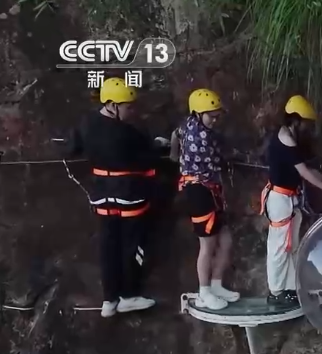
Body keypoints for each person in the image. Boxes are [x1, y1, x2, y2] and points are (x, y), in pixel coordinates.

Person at [66, 77, 159, 317]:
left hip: (102, 193)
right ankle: (129, 295)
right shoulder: (128, 132)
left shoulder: (86, 123)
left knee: (108, 246)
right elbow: (149, 158)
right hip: (129, 193)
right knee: (132, 244)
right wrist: (157, 146)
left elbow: (72, 148)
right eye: (128, 106)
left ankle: (109, 300)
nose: (132, 110)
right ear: (112, 105)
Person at [262, 95, 322, 306]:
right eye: (305, 123)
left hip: (289, 199)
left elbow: (300, 169)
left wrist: (321, 176)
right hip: (280, 199)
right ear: (296, 120)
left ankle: (290, 288)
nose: (307, 128)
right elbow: (303, 172)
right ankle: (276, 292)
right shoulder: (287, 140)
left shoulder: (286, 137)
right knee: (279, 247)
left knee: (291, 246)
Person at [169, 88, 240, 310]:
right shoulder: (202, 137)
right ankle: (204, 291)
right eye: (212, 116)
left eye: (217, 116)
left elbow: (175, 134)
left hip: (211, 190)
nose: (215, 120)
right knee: (207, 245)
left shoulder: (185, 125)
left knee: (226, 240)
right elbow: (220, 157)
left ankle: (216, 284)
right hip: (198, 192)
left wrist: (174, 155)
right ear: (198, 114)